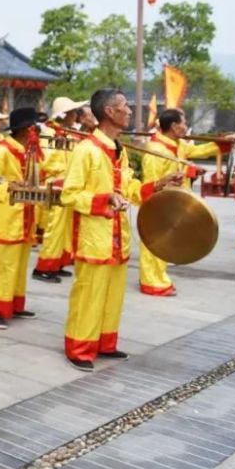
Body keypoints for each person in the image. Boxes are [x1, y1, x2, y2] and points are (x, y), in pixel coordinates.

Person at [61, 89, 184, 372]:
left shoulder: (120, 150)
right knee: (89, 294)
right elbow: (70, 195)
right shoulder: (86, 150)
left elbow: (129, 189)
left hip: (117, 236)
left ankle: (104, 343)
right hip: (94, 237)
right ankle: (78, 347)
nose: (129, 111)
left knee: (113, 295)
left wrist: (159, 183)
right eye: (124, 107)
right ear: (109, 112)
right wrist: (105, 199)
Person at [139, 108, 234, 296]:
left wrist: (224, 143)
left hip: (174, 203)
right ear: (174, 126)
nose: (186, 126)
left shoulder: (178, 144)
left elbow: (198, 150)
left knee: (164, 245)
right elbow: (152, 182)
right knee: (153, 244)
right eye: (183, 123)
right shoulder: (155, 151)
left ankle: (159, 277)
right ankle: (150, 281)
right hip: (159, 205)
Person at [0, 108, 45, 329]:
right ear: (25, 129)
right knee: (4, 266)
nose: (37, 131)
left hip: (26, 217)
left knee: (19, 266)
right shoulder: (1, 151)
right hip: (7, 218)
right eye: (34, 127)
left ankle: (15, 304)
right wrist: (9, 187)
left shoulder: (29, 151)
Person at [31, 97, 86, 284]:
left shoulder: (67, 133)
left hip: (68, 183)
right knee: (54, 228)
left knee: (65, 229)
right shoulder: (48, 133)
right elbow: (46, 160)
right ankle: (44, 267)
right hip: (56, 183)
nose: (75, 116)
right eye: (71, 113)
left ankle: (58, 263)